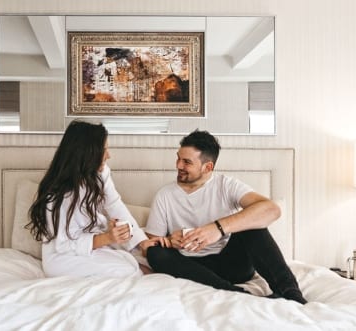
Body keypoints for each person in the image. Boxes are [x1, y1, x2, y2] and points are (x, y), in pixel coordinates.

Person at [145, 130, 307, 304]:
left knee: (253, 224)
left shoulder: (226, 185)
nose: (178, 165)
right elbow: (150, 245)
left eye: (186, 162)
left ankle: (292, 295)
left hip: (231, 264)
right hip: (189, 266)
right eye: (178, 158)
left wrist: (217, 228)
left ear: (207, 167)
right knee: (156, 253)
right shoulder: (165, 195)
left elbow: (272, 210)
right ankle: (239, 294)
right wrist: (170, 240)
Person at [27, 120, 165, 277]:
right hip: (64, 256)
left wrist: (142, 242)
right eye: (104, 150)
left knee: (142, 265)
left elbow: (114, 204)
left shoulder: (100, 172)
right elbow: (65, 245)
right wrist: (107, 237)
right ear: (87, 153)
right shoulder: (59, 195)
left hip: (93, 244)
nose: (109, 155)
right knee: (130, 271)